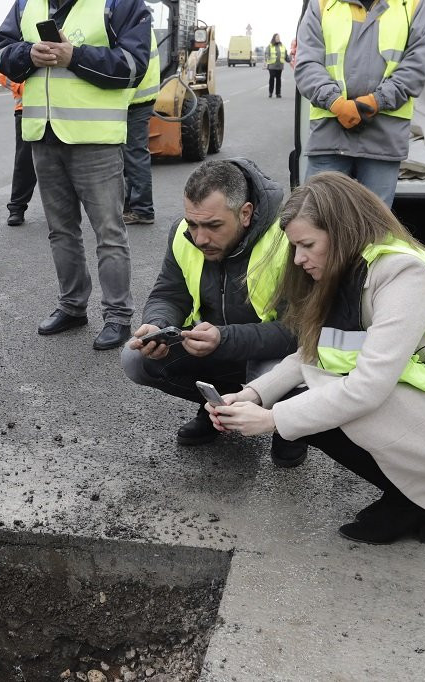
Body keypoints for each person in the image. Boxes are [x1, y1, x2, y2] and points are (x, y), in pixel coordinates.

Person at [206, 172, 425, 545]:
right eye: (295, 247)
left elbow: (367, 389)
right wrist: (253, 395)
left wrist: (271, 420)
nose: (299, 258)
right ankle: (408, 499)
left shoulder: (403, 274)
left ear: (340, 232)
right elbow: (313, 352)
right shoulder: (353, 268)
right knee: (307, 399)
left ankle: (413, 504)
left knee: (312, 404)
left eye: (307, 245)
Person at [122, 159, 304, 467]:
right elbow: (168, 292)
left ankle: (287, 426)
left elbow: (297, 332)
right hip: (215, 343)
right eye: (193, 224)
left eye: (213, 226)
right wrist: (158, 324)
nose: (200, 238)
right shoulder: (184, 234)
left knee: (285, 374)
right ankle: (216, 407)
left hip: (273, 353)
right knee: (135, 360)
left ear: (245, 213)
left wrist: (225, 338)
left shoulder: (287, 239)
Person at [0, 0, 152, 350]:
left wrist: (74, 56)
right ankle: (72, 305)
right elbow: (2, 52)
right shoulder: (27, 4)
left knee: (108, 233)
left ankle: (117, 317)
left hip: (95, 139)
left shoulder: (120, 4)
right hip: (44, 136)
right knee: (60, 231)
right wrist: (28, 54)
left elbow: (133, 67)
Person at [293, 0, 425, 206]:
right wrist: (336, 103)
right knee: (318, 221)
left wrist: (377, 101)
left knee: (374, 230)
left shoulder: (414, 4)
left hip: (382, 140)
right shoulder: (322, 4)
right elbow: (307, 64)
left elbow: (418, 63)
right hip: (331, 137)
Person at [122, 29, 160, 226]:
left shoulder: (130, 21)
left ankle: (143, 209)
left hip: (134, 99)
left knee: (134, 154)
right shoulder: (138, 20)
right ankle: (132, 205)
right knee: (131, 154)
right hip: (140, 97)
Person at [0, 62, 38, 227]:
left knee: (63, 160)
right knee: (25, 161)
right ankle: (17, 207)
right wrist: (21, 86)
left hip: (61, 108)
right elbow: (0, 66)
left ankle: (64, 209)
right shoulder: (18, 35)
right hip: (26, 108)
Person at [265, 34, 286, 98]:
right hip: (272, 66)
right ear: (274, 38)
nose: (278, 38)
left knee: (278, 79)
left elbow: (285, 55)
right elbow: (266, 54)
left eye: (279, 37)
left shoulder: (282, 46)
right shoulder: (270, 46)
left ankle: (278, 93)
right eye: (277, 37)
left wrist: (290, 60)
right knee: (271, 79)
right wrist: (267, 58)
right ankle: (270, 92)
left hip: (279, 66)